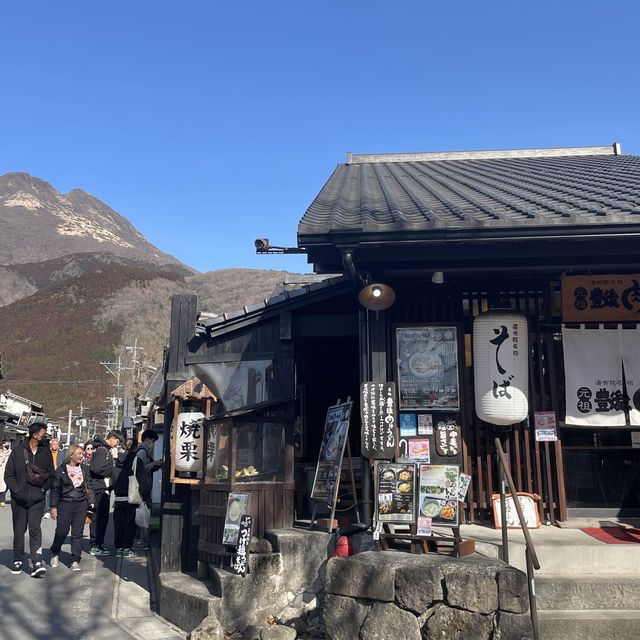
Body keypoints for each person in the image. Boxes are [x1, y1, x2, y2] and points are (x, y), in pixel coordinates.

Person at [4, 421, 55, 577]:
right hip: (19, 500)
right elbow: (9, 475)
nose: (45, 436)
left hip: (37, 500)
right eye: (43, 434)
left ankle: (37, 562)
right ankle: (18, 560)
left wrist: (43, 490)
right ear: (34, 435)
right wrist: (17, 490)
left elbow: (51, 475)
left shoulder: (45, 452)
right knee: (19, 531)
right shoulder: (17, 452)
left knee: (35, 529)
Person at [49, 443, 95, 571]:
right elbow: (55, 489)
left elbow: (89, 486)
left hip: (81, 504)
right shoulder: (61, 469)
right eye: (79, 453)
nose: (82, 455)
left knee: (77, 533)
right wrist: (53, 506)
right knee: (62, 531)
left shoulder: (85, 469)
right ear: (71, 455)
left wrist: (91, 501)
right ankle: (55, 551)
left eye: (82, 453)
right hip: (65, 503)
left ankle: (75, 559)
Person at [113, 441, 150, 557]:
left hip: (118, 497)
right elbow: (143, 480)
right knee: (130, 523)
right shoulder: (135, 460)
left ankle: (119, 548)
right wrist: (145, 495)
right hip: (131, 496)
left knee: (119, 523)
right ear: (135, 448)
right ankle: (127, 548)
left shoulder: (117, 461)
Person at [88, 430, 122, 556]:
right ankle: (95, 544)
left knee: (102, 518)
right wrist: (111, 469)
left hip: (104, 488)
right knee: (98, 518)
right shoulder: (103, 450)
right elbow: (96, 468)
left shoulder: (104, 450)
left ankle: (98, 544)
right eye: (117, 442)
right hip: (99, 488)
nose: (116, 445)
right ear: (112, 439)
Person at [134, 430, 162, 549]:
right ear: (147, 439)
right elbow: (141, 469)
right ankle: (140, 539)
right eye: (153, 441)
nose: (153, 444)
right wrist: (154, 464)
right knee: (142, 514)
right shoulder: (142, 452)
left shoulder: (143, 451)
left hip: (143, 487)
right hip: (141, 488)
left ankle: (140, 538)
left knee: (142, 513)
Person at [44, 438, 66, 518]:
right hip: (49, 475)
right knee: (47, 493)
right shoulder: (47, 453)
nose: (55, 446)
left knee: (58, 493)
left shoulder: (62, 454)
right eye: (53, 444)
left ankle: (56, 509)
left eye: (56, 444)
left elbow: (64, 464)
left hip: (58, 476)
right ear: (51, 445)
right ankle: (47, 510)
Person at [0, 440, 11, 506]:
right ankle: (2, 500)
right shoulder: (2, 453)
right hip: (1, 471)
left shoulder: (10, 453)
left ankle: (2, 500)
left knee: (5, 486)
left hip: (7, 471)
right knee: (2, 486)